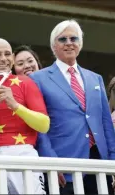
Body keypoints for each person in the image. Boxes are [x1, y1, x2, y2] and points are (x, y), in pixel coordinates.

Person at [30, 19, 115, 194]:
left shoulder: (95, 78)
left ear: (80, 44)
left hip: (99, 161)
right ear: (54, 46)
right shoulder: (38, 79)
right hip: (63, 164)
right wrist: (50, 160)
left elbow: (106, 123)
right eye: (63, 39)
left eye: (73, 39)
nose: (69, 43)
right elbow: (39, 127)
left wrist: (113, 159)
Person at [0, 38, 49, 194]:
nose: (3, 59)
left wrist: (15, 105)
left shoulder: (25, 82)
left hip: (23, 155)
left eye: (7, 54)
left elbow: (44, 125)